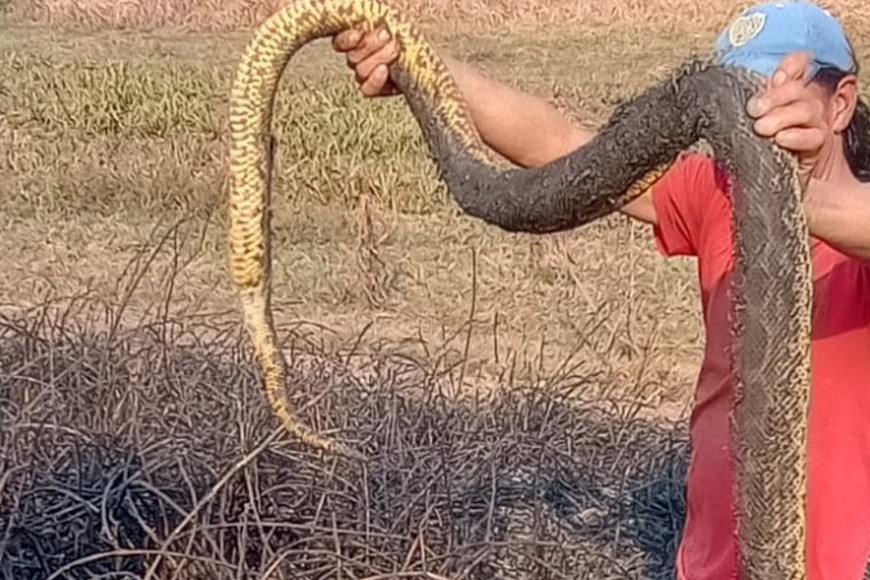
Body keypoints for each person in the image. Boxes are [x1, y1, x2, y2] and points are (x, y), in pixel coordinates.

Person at [331, 1, 870, 578]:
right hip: (713, 560)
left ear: (839, 104)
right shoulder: (718, 193)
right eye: (735, 96)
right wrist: (421, 67)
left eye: (772, 91)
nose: (752, 115)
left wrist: (789, 192)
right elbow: (560, 144)